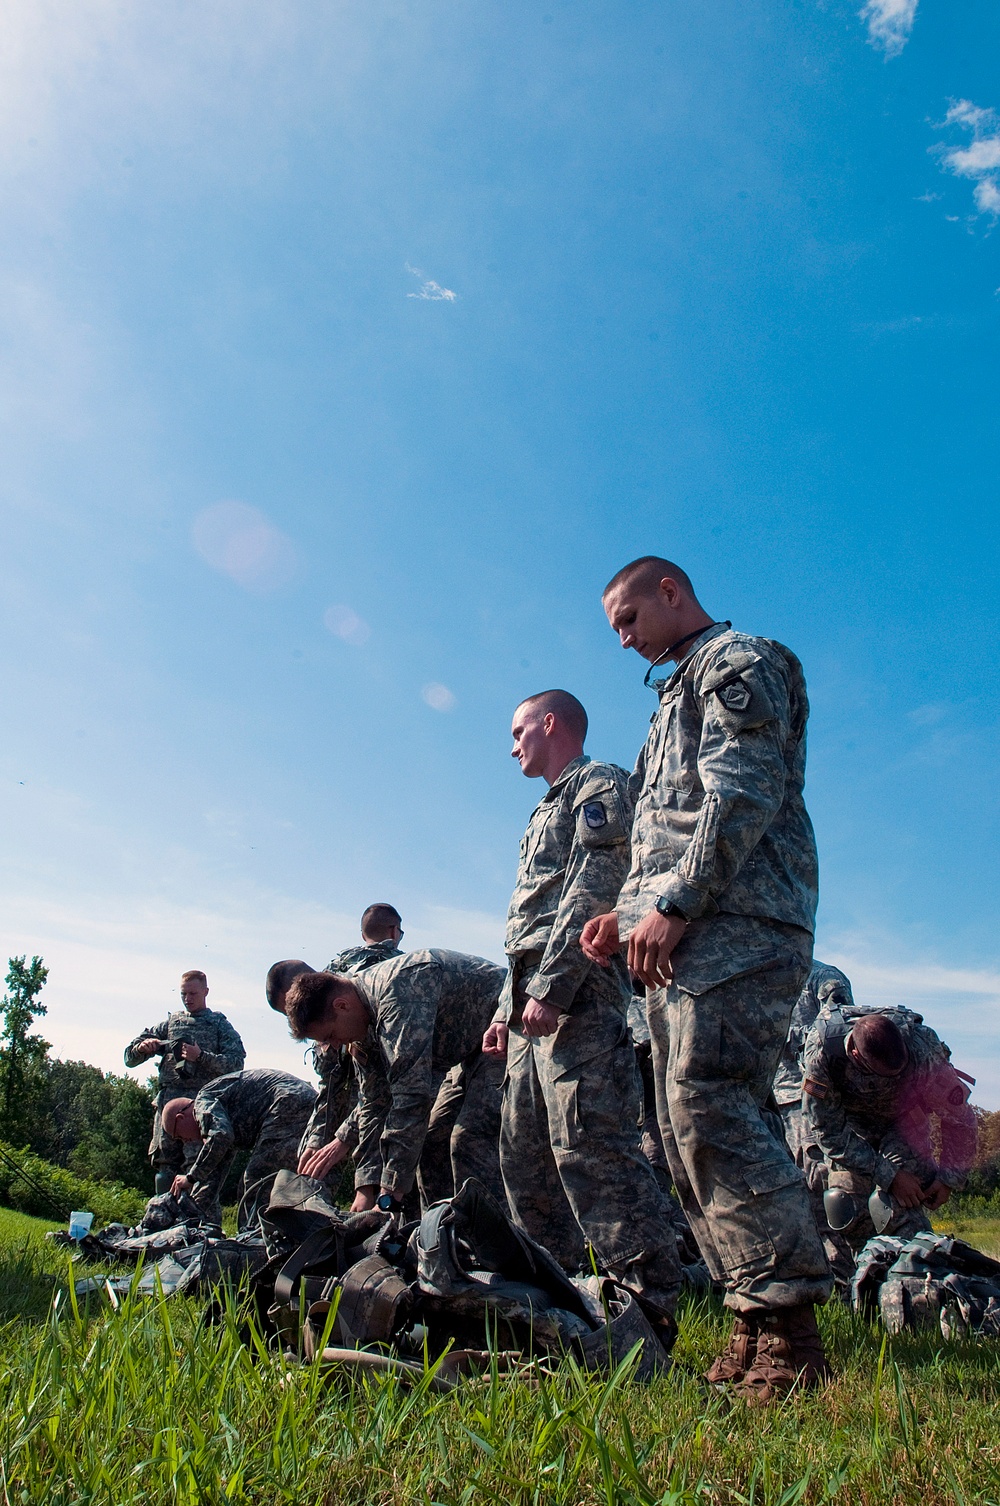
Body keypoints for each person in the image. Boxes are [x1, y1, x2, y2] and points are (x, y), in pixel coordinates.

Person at [582, 555, 832, 1404]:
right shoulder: (670, 700)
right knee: (685, 1121)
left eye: (627, 618)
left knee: (712, 1103)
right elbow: (664, 828)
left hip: (737, 919)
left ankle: (790, 1329)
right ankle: (750, 1319)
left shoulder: (735, 664)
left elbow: (741, 793)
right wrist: (625, 911)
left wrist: (680, 900)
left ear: (671, 592)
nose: (623, 639)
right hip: (681, 934)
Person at [482, 690, 683, 1334]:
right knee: (525, 1156)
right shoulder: (545, 808)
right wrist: (502, 1007)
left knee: (591, 1146)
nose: (512, 745)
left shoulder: (596, 786)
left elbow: (592, 888)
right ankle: (561, 1303)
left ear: (550, 724)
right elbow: (526, 920)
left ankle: (651, 1307)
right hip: (529, 1001)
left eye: (519, 731)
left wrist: (555, 985)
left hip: (574, 995)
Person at [285, 949, 506, 1212]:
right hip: (468, 1055)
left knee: (470, 1138)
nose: (335, 1045)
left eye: (331, 1035)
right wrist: (365, 1187)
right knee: (433, 1142)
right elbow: (372, 1103)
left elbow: (411, 1096)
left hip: (505, 1033)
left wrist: (388, 1195)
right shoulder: (361, 1023)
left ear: (341, 1006)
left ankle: (497, 1243)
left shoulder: (399, 993)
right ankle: (437, 1237)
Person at [798, 1003, 977, 1249]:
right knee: (844, 1204)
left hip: (904, 1123)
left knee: (900, 1202)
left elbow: (960, 1119)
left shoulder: (922, 1048)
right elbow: (827, 1132)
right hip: (850, 1130)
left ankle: (922, 1271)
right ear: (856, 1055)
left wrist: (949, 1178)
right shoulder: (822, 1054)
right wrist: (888, 1175)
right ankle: (867, 1276)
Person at [773, 962, 857, 1290]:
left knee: (822, 1190)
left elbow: (840, 1029)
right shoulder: (761, 975)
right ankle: (803, 1278)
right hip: (767, 1103)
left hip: (808, 1101)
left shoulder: (822, 976)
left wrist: (776, 1035)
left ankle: (844, 1281)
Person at [124, 971, 246, 1194]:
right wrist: (143, 1048)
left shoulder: (218, 1024)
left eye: (193, 993)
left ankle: (193, 1222)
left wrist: (200, 1057)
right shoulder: (171, 1023)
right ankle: (161, 1216)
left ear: (205, 992)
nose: (188, 998)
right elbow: (128, 1058)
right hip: (167, 1107)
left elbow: (236, 1064)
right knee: (164, 1165)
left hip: (199, 1109)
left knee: (197, 1168)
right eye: (183, 994)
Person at [161, 1068, 317, 1229]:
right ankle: (263, 1237)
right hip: (299, 1102)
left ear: (180, 1118)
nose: (186, 1141)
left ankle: (254, 1243)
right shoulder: (220, 1117)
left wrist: (190, 1177)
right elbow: (213, 1175)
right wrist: (189, 1217)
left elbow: (221, 1136)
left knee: (257, 1181)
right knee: (259, 1184)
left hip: (290, 1102)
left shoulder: (202, 1103)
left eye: (179, 1136)